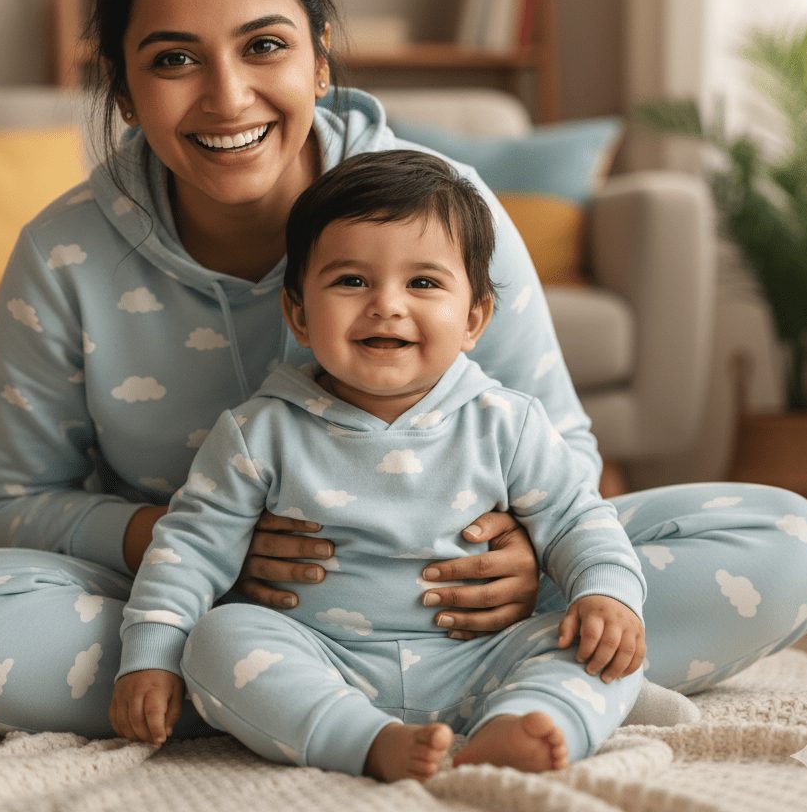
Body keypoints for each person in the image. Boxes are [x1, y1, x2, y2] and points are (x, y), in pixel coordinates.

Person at [0, 0, 807, 743]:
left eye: (264, 46)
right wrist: (180, 542)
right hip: (213, 604)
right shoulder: (65, 254)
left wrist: (541, 559)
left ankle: (274, 702)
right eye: (173, 59)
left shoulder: (444, 207)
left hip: (453, 603)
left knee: (785, 540)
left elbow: (560, 447)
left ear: (320, 54)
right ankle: (258, 679)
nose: (226, 97)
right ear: (123, 89)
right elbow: (8, 504)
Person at [110, 150, 647, 781]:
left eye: (423, 283)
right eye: (351, 281)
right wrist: (147, 655)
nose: (386, 305)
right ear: (299, 315)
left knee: (605, 651)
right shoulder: (260, 432)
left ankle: (523, 723)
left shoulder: (509, 423)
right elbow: (189, 549)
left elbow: (580, 517)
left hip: (481, 656)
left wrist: (608, 595)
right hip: (321, 658)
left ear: (474, 319)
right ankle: (369, 742)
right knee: (217, 640)